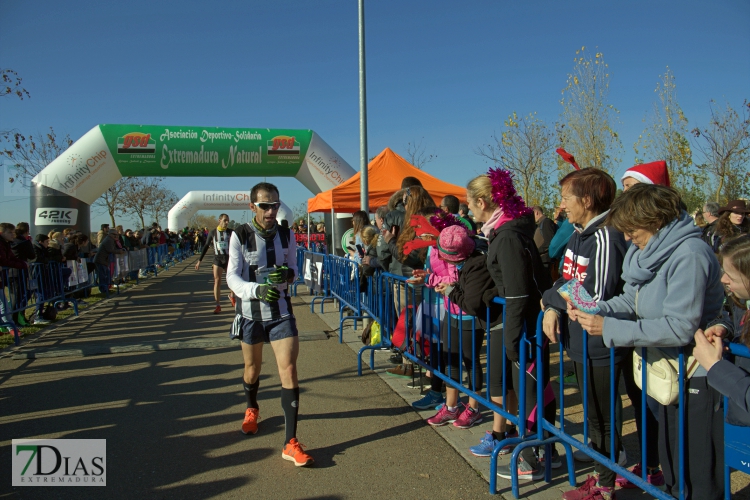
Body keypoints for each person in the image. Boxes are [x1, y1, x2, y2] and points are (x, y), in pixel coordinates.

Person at [572, 184, 726, 500]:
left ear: (654, 221)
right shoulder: (651, 251)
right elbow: (633, 298)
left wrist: (609, 327)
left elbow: (680, 326)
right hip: (666, 371)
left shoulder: (690, 254)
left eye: (631, 229)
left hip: (693, 374)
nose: (627, 238)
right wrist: (595, 308)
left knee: (696, 469)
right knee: (671, 461)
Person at [539, 169, 634, 498]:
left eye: (566, 197)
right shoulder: (579, 233)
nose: (561, 205)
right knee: (595, 416)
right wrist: (554, 304)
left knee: (603, 416)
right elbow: (565, 279)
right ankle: (601, 468)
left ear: (588, 200)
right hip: (579, 338)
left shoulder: (606, 235)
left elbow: (593, 296)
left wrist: (551, 300)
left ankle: (606, 483)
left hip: (600, 340)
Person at [463, 170, 555, 478]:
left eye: (469, 204)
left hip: (525, 327)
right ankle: (540, 451)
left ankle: (533, 458)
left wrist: (513, 337)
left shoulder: (508, 236)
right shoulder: (504, 232)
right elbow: (510, 283)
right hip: (523, 323)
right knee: (532, 389)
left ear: (482, 202)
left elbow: (517, 291)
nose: (468, 210)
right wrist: (492, 293)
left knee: (530, 392)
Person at [226, 182, 312, 467]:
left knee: (288, 368)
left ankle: (290, 442)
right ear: (252, 207)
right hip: (251, 313)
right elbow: (232, 277)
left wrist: (288, 275)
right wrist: (256, 290)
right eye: (265, 205)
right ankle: (251, 407)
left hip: (281, 312)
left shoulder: (287, 234)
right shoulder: (239, 235)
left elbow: (295, 269)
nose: (271, 210)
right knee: (252, 369)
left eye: (274, 204)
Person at [694, 235, 750, 428]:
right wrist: (724, 329)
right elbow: (738, 322)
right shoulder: (743, 302)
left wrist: (715, 366)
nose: (724, 279)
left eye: (731, 276)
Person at [195, 214, 236, 314]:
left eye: (228, 221)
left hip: (229, 259)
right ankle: (218, 304)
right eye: (225, 220)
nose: (226, 223)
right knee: (217, 281)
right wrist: (199, 261)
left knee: (231, 279)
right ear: (219, 220)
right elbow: (206, 246)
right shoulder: (213, 232)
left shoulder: (231, 232)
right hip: (218, 259)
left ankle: (232, 296)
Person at [94, 226, 125, 295]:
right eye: (115, 235)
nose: (116, 236)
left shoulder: (111, 240)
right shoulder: (108, 240)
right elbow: (110, 250)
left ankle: (106, 288)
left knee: (106, 275)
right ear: (110, 234)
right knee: (102, 275)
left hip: (105, 260)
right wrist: (119, 251)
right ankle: (103, 290)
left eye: (117, 235)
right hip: (101, 260)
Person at [532, 206, 558, 275]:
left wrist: (536, 251)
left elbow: (549, 241)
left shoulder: (546, 222)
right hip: (541, 259)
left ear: (536, 213)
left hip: (545, 260)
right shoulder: (541, 223)